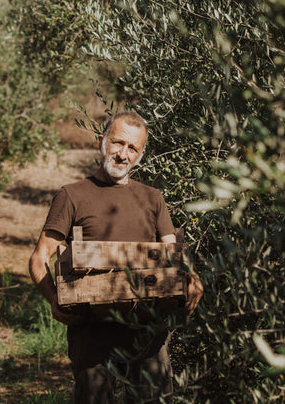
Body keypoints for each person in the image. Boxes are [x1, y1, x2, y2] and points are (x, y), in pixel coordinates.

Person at [29, 111, 203, 403]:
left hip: (147, 331)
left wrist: (192, 281)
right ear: (102, 141)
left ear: (141, 154)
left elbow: (174, 257)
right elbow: (39, 257)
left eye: (132, 148)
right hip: (91, 333)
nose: (123, 154)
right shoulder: (72, 195)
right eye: (118, 143)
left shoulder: (152, 198)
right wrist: (52, 300)